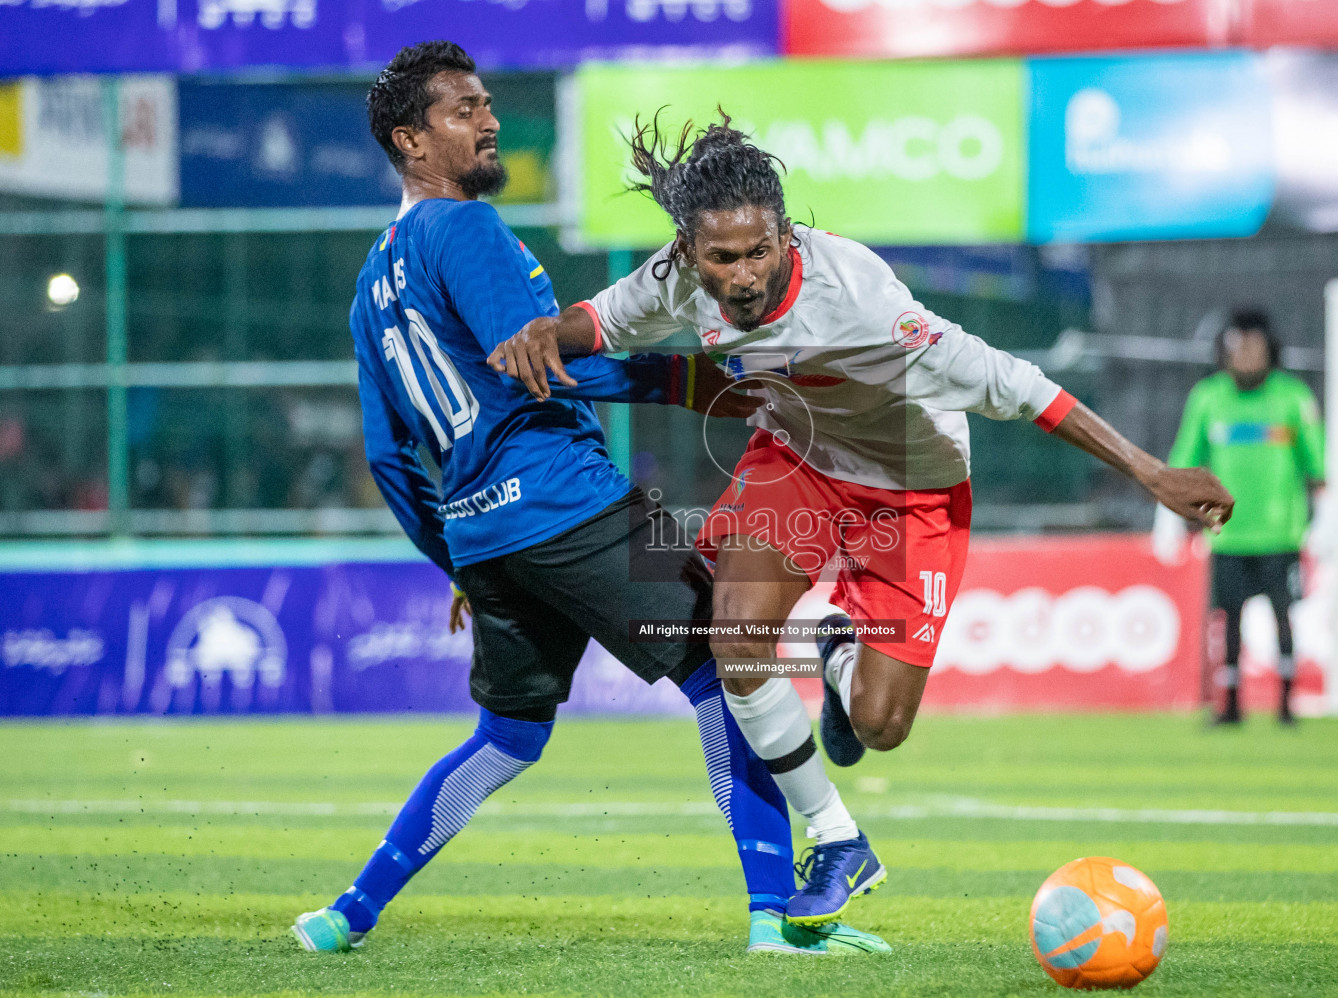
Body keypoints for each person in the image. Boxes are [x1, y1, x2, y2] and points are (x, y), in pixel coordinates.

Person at [486, 114, 1235, 927]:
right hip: (800, 458)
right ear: (689, 249)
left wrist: (1150, 471)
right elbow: (600, 322)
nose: (741, 276)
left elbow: (1021, 387)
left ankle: (841, 663)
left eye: (758, 253)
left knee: (880, 726)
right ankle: (837, 838)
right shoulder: (674, 275)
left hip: (915, 482)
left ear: (786, 237)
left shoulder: (862, 302)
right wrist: (541, 332)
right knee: (734, 632)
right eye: (722, 258)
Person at [291, 43, 888, 958]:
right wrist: (704, 382)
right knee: (726, 670)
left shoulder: (369, 286)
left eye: (486, 103)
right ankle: (780, 917)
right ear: (410, 141)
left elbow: (387, 457)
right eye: (461, 110)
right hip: (570, 506)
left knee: (505, 738)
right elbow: (544, 358)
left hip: (487, 536)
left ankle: (349, 912)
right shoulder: (465, 230)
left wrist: (458, 554)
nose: (487, 120)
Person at [1155, 308, 1325, 726]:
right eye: (1238, 348)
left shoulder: (1293, 397)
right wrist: (1168, 515)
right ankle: (1228, 705)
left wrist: (1326, 519)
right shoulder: (1208, 398)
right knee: (1227, 621)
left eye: (1255, 348)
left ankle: (1287, 705)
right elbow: (1184, 462)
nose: (1246, 357)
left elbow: (1317, 466)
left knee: (1284, 616)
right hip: (1226, 535)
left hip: (1282, 533)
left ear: (1271, 351)